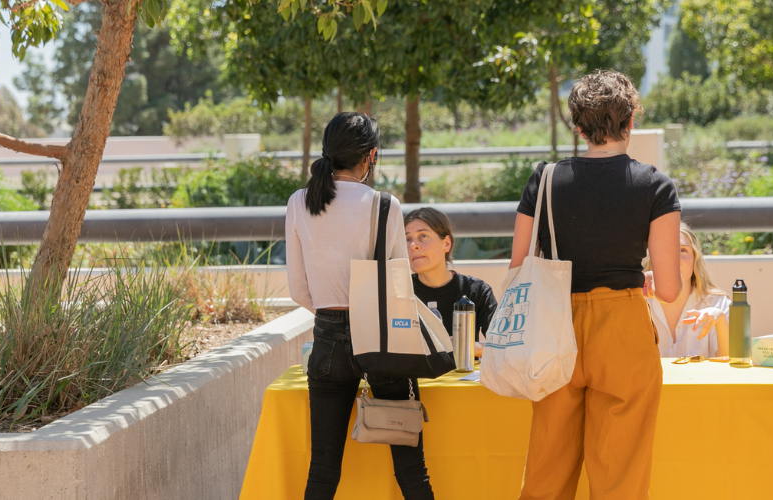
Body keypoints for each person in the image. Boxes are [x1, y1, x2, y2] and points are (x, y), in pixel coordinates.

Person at [512, 69, 683, 499]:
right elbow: (668, 289)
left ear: (578, 126)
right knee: (620, 474)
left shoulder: (545, 179)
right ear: (630, 122)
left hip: (555, 325)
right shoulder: (655, 186)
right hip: (623, 326)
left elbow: (518, 266)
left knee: (547, 469)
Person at [285, 112, 435, 500]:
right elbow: (400, 286)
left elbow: (298, 289)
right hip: (383, 339)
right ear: (371, 156)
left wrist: (331, 317)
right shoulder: (385, 205)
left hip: (327, 339)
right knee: (411, 469)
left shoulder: (300, 202)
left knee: (322, 471)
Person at [404, 207, 498, 356]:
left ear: (446, 244)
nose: (413, 245)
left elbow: (501, 347)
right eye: (407, 239)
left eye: (423, 236)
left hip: (464, 377)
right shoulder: (399, 292)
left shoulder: (477, 290)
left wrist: (470, 347)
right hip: (414, 379)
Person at [643, 223, 730, 358]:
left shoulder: (718, 304)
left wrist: (720, 320)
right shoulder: (638, 302)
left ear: (695, 259)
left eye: (683, 250)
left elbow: (731, 367)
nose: (674, 259)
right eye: (665, 250)